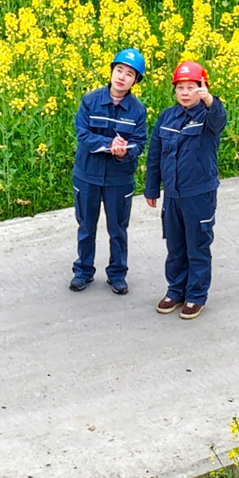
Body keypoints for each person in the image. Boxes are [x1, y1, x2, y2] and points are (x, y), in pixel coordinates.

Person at [144, 60, 226, 320]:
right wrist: (151, 189)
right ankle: (175, 291)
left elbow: (219, 119)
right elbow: (155, 154)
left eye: (192, 87)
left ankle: (196, 296)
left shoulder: (208, 117)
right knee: (175, 244)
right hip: (173, 195)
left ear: (203, 88)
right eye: (181, 87)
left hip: (199, 194)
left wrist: (210, 101)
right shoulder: (167, 117)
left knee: (197, 245)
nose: (185, 92)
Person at [70, 48, 149, 294]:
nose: (122, 77)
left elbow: (140, 142)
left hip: (119, 178)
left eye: (129, 74)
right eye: (119, 70)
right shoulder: (89, 100)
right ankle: (83, 271)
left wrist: (126, 151)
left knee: (117, 228)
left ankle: (117, 274)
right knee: (86, 226)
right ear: (112, 71)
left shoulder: (138, 110)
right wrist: (107, 145)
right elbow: (82, 134)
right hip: (87, 174)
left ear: (135, 81)